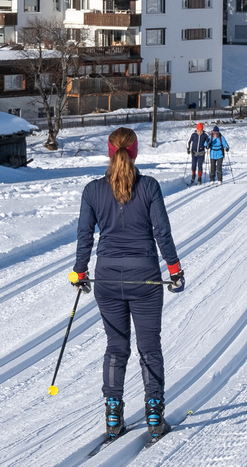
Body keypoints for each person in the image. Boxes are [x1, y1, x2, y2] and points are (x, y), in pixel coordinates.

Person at [71, 127, 185, 442]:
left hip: (107, 277)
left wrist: (80, 272)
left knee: (115, 347)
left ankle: (112, 414)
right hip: (145, 277)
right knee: (149, 347)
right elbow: (162, 231)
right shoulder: (149, 186)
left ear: (110, 151)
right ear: (135, 152)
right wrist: (174, 268)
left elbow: (84, 237)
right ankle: (153, 414)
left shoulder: (92, 191)